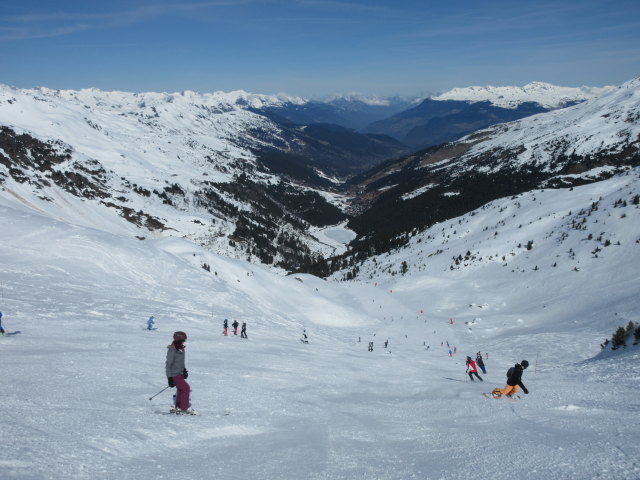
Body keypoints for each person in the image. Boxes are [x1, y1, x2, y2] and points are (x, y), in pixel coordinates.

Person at [165, 331, 195, 414]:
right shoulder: (173, 349)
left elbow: (180, 361)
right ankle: (184, 408)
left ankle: (178, 406)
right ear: (179, 339)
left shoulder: (181, 348)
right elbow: (168, 364)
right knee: (186, 388)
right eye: (183, 340)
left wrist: (184, 370)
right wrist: (169, 378)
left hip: (180, 373)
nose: (184, 341)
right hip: (174, 374)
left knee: (181, 389)